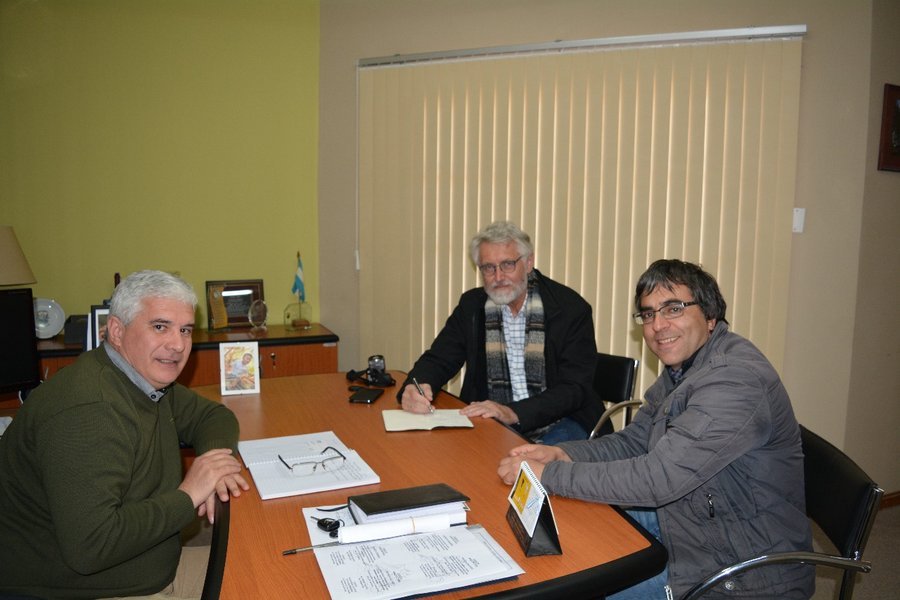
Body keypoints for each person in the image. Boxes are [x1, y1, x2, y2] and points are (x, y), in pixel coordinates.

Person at [497, 259, 814, 599]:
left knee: (578, 587)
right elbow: (636, 442)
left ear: (710, 316)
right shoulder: (686, 368)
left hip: (740, 571)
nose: (658, 325)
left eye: (673, 309)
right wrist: (563, 453)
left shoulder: (734, 381)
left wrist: (550, 475)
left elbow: (658, 479)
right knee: (573, 537)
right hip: (692, 521)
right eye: (648, 314)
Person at [0, 270, 249, 600]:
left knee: (262, 556)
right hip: (90, 587)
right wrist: (189, 494)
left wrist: (216, 466)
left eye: (185, 330)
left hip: (151, 559)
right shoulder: (89, 412)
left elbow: (213, 416)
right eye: (160, 326)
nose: (178, 345)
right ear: (117, 331)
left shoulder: (144, 380)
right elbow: (92, 547)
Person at [398, 220, 604, 444]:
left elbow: (574, 389)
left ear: (528, 263)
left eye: (507, 264)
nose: (498, 277)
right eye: (489, 268)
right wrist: (416, 386)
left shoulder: (569, 309)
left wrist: (513, 412)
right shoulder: (472, 306)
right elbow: (439, 358)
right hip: (494, 420)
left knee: (529, 462)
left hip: (563, 420)